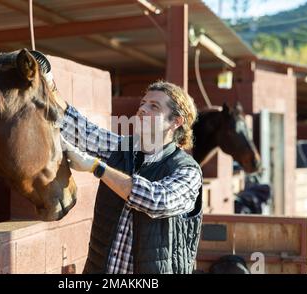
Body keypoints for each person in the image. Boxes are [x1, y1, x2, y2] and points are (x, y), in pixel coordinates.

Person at [39, 54, 202, 273]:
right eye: (143, 103)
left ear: (176, 121)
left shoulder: (188, 170)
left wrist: (98, 167)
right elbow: (78, 127)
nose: (142, 109)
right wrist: (48, 82)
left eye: (154, 106)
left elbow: (157, 201)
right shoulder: (121, 148)